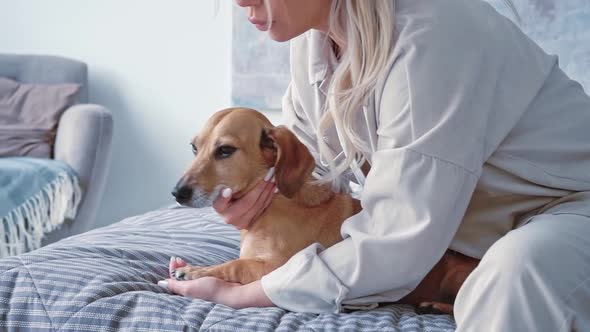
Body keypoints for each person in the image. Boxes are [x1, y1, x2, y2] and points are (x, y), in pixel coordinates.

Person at [162, 0, 590, 330]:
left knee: (516, 273)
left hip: (568, 209)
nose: (241, 1)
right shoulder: (315, 44)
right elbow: (311, 163)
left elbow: (397, 234)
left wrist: (249, 293)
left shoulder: (432, 39)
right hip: (468, 232)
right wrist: (257, 195)